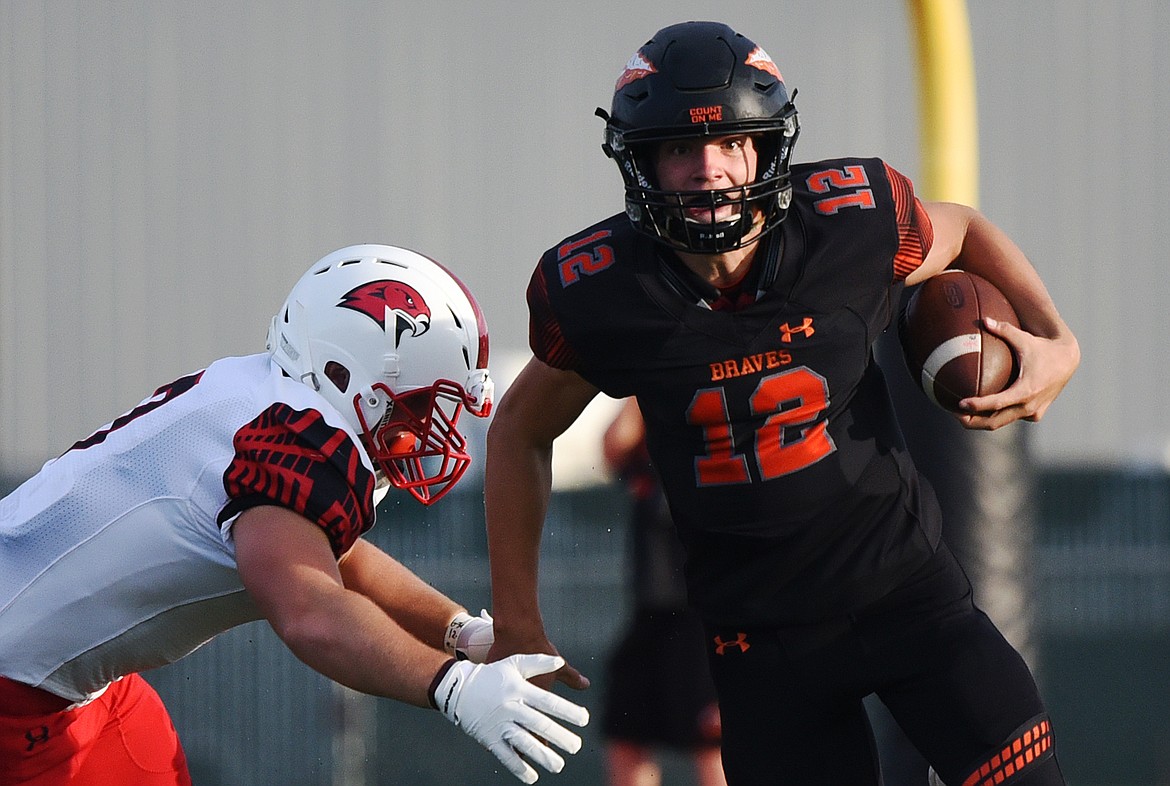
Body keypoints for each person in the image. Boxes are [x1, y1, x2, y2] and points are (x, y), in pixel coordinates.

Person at [483, 21, 1079, 786]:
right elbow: (520, 433)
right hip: (763, 649)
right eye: (679, 147)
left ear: (768, 146)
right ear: (640, 162)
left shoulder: (852, 225)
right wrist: (519, 621)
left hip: (908, 596)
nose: (709, 169)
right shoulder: (602, 291)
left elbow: (960, 229)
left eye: (731, 141)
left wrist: (1058, 339)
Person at [0, 244, 588, 786]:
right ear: (346, 373)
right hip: (16, 696)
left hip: (80, 687)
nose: (426, 433)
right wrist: (452, 688)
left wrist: (463, 633)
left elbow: (339, 562)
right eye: (418, 406)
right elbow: (311, 612)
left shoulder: (266, 404)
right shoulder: (293, 440)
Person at [600, 397, 726, 786]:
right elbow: (613, 445)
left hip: (703, 622)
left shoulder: (714, 453)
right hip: (651, 618)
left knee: (711, 745)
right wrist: (644, 383)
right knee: (626, 736)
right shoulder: (651, 458)